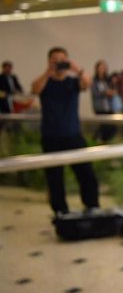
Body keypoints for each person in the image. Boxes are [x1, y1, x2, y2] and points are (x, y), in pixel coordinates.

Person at [31, 47, 100, 216]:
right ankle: (60, 212)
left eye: (63, 59)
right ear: (49, 62)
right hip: (51, 137)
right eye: (56, 60)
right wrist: (48, 72)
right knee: (54, 178)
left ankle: (92, 206)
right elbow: (34, 89)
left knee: (86, 173)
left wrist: (76, 68)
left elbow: (88, 83)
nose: (59, 63)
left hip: (73, 135)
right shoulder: (45, 82)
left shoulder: (72, 82)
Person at [91, 60, 118, 142]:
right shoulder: (94, 81)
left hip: (109, 106)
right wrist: (105, 93)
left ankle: (105, 141)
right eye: (101, 67)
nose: (102, 69)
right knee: (103, 126)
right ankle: (97, 140)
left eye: (104, 67)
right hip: (100, 107)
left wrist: (112, 91)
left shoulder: (108, 80)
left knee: (113, 127)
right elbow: (95, 93)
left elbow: (114, 89)